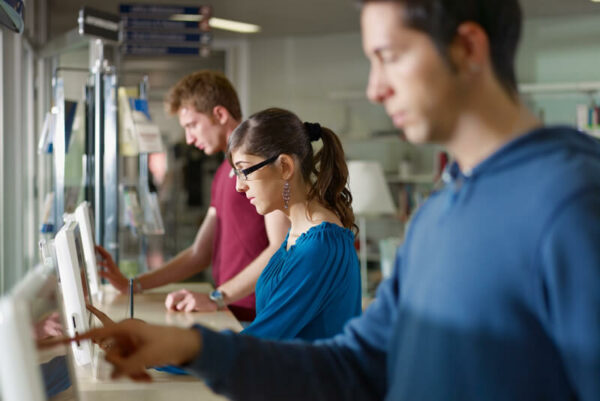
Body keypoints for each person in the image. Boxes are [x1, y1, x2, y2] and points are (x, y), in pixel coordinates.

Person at [57, 0, 600, 399]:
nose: (374, 88)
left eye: (388, 57)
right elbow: (358, 361)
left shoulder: (574, 202)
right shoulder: (442, 208)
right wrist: (187, 348)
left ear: (468, 48)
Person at [97, 71, 290, 322]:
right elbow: (200, 252)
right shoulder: (224, 171)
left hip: (258, 315)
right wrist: (133, 285)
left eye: (192, 125)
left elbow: (281, 246)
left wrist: (216, 297)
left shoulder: (258, 163)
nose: (189, 138)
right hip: (231, 310)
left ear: (219, 114)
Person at [229, 108, 361, 340]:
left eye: (245, 171)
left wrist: (169, 350)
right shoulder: (299, 233)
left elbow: (259, 342)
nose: (240, 186)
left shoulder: (320, 246)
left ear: (284, 167)